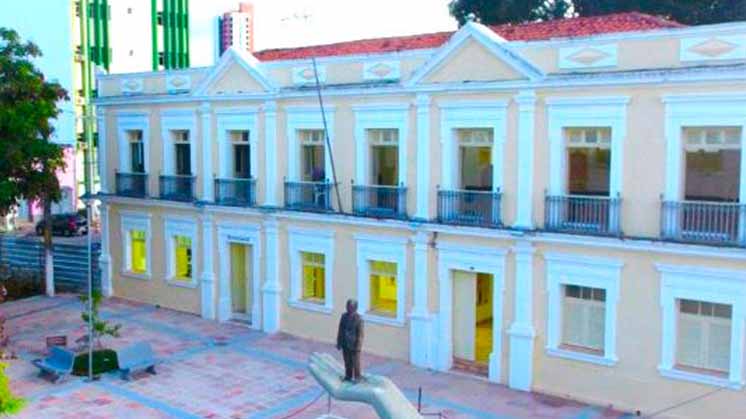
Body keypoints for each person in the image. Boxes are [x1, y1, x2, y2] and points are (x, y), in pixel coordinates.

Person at [336, 298, 364, 382]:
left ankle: (357, 377)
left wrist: (358, 347)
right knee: (347, 361)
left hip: (354, 344)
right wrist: (339, 342)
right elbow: (340, 329)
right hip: (345, 343)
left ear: (355, 308)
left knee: (355, 362)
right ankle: (348, 376)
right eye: (347, 306)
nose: (347, 308)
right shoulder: (344, 316)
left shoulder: (359, 319)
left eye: (350, 306)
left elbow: (360, 335)